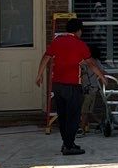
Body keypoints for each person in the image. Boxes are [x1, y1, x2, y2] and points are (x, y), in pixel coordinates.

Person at [38, 17, 105, 156]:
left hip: (57, 85)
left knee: (62, 116)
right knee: (73, 117)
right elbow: (91, 63)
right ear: (79, 31)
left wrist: (39, 75)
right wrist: (102, 76)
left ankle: (66, 143)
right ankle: (69, 146)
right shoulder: (80, 44)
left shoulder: (57, 41)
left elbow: (46, 57)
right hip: (72, 85)